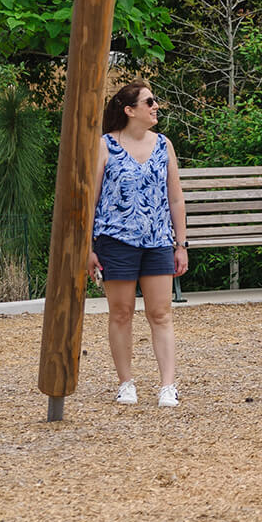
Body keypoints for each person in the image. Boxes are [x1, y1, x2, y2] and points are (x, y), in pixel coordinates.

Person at [85, 80, 189, 406]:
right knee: (121, 313)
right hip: (115, 241)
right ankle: (126, 382)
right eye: (149, 102)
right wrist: (87, 247)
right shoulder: (105, 146)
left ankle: (167, 386)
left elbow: (175, 198)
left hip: (157, 241)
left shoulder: (163, 145)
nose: (155, 106)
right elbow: (91, 198)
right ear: (129, 110)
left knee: (161, 314)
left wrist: (181, 244)